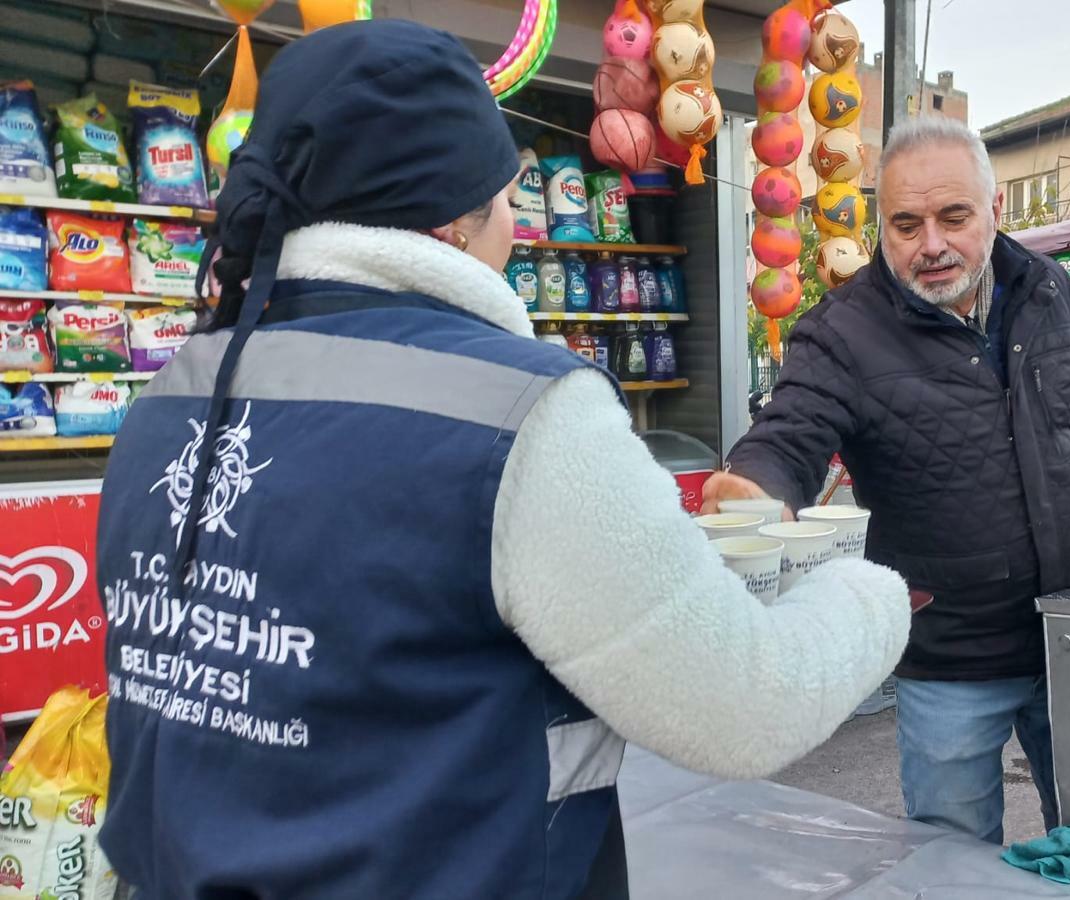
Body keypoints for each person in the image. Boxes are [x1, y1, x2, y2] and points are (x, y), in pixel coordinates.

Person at [94, 21, 909, 900]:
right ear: (453, 218)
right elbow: (746, 703)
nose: (518, 228)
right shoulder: (519, 413)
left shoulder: (172, 394)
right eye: (511, 197)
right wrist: (868, 589)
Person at [703, 117, 1070, 845]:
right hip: (948, 658)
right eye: (906, 224)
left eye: (953, 217)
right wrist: (755, 486)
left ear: (993, 211)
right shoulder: (843, 331)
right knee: (950, 860)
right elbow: (791, 429)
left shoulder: (1045, 288)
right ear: (880, 227)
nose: (931, 245)